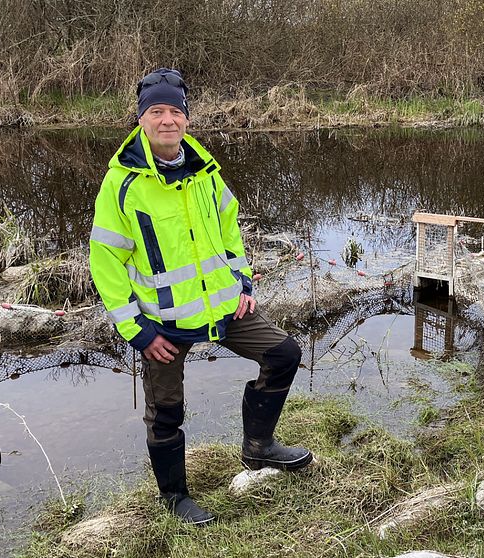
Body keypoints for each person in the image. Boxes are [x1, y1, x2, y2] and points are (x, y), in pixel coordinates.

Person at [88, 68, 312, 526]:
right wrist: (138, 330)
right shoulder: (122, 184)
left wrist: (242, 282)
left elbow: (229, 228)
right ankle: (174, 497)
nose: (168, 120)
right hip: (161, 325)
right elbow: (105, 263)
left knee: (284, 354)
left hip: (224, 308)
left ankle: (259, 448)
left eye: (175, 111)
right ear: (141, 120)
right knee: (166, 412)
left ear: (186, 118)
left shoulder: (206, 172)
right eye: (157, 112)